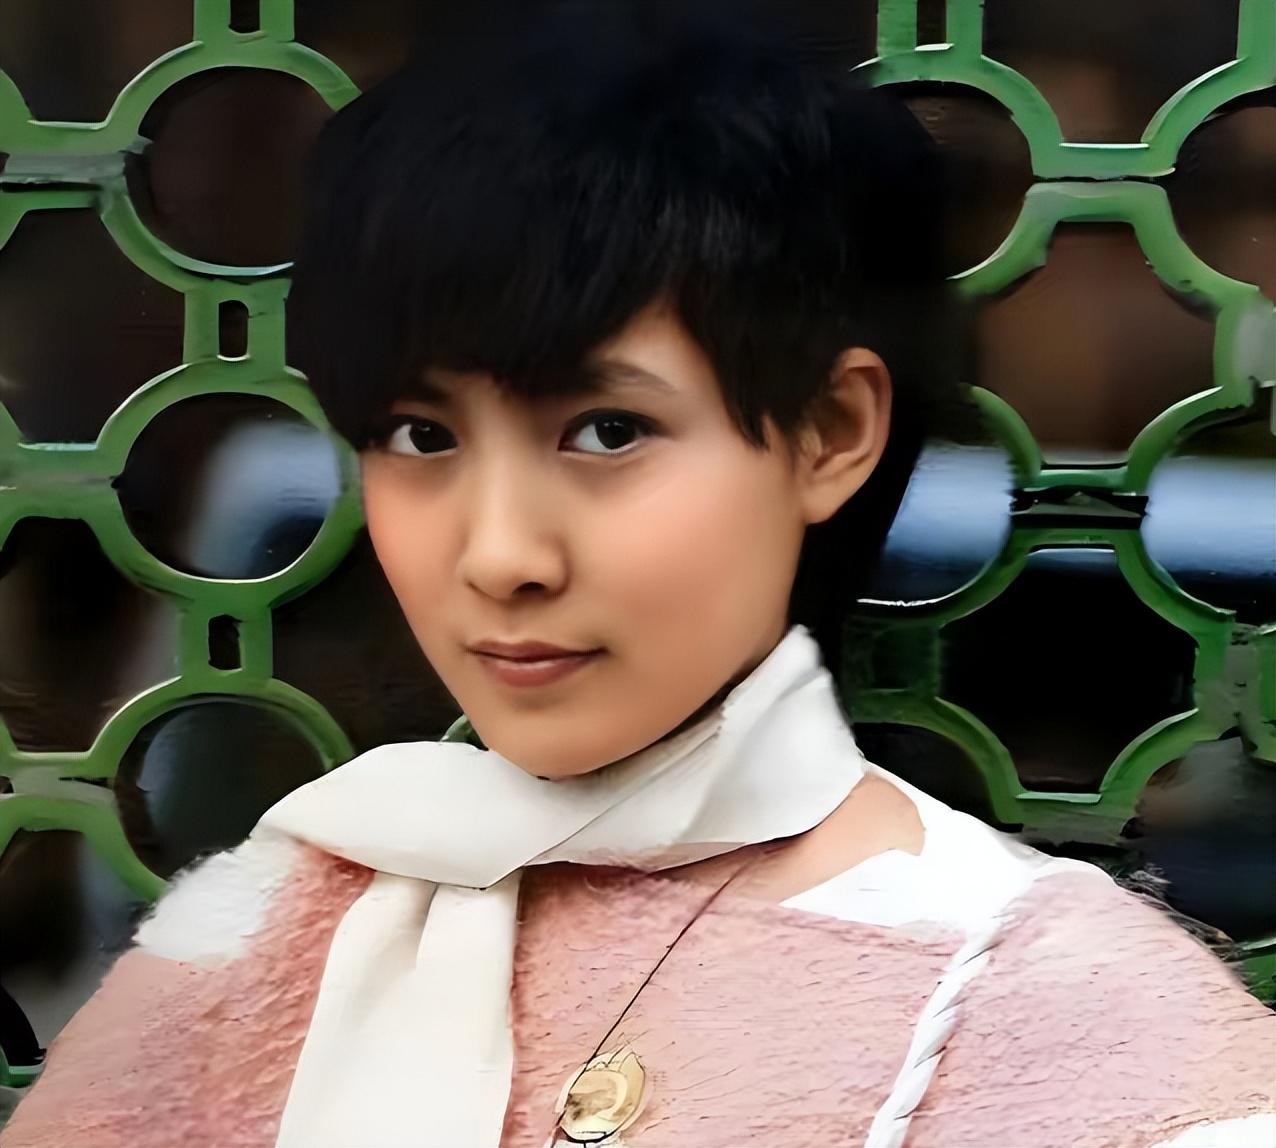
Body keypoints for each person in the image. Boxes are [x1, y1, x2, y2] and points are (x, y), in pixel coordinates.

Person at [4, 5, 1272, 1146]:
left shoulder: (1067, 1017)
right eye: (421, 435)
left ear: (828, 431)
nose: (501, 554)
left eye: (606, 431)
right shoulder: (263, 933)